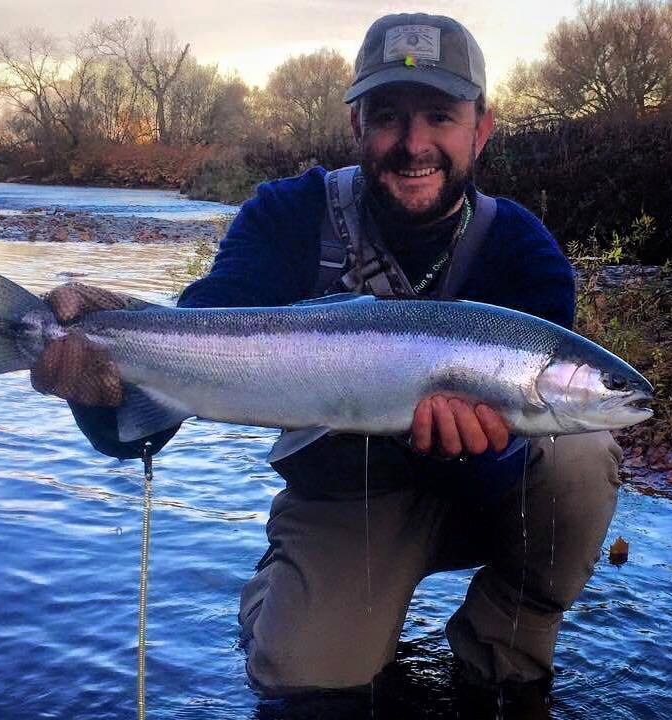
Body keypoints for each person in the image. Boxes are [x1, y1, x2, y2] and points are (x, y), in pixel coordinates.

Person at [31, 12, 622, 712]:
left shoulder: (522, 250)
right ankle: (285, 597)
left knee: (583, 445)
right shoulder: (284, 217)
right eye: (387, 116)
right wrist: (94, 379)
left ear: (480, 129)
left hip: (488, 499)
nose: (413, 143)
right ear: (354, 125)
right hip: (347, 503)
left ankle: (503, 640)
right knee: (304, 685)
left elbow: (522, 457)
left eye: (438, 115)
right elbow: (159, 399)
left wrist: (470, 453)